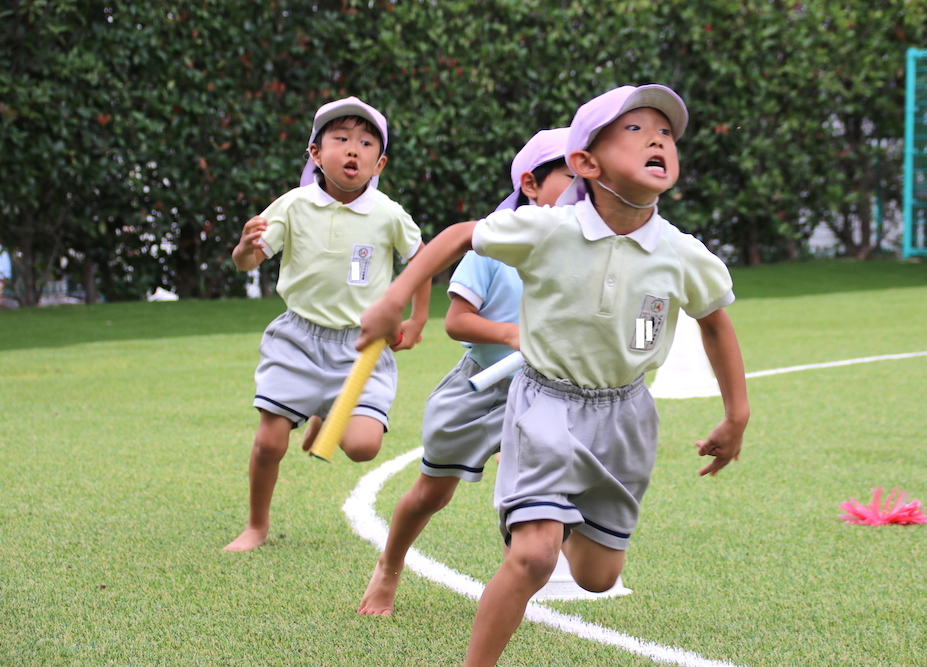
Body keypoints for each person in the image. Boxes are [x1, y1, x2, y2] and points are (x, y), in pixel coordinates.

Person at [356, 84, 750, 666]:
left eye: (665, 133)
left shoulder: (684, 253)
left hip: (626, 416)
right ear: (587, 163)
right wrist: (395, 299)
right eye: (636, 131)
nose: (658, 141)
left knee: (596, 576)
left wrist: (736, 414)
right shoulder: (548, 229)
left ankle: (552, 515)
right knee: (535, 558)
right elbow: (459, 235)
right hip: (545, 401)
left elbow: (716, 323)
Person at [357, 127, 574, 616]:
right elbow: (457, 322)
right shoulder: (492, 245)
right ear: (531, 184)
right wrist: (511, 335)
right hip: (481, 390)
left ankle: (515, 594)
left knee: (536, 509)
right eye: (569, 173)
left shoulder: (587, 248)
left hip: (547, 396)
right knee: (430, 493)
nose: (583, 184)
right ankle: (389, 566)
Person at [225, 97, 430, 552]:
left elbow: (422, 261)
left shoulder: (388, 214)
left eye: (364, 142)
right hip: (297, 338)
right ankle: (256, 526)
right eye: (340, 139)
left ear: (380, 162)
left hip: (361, 348)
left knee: (362, 446)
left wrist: (416, 320)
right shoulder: (293, 206)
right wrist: (243, 248)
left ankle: (324, 414)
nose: (352, 150)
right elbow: (248, 261)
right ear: (316, 153)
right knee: (270, 441)